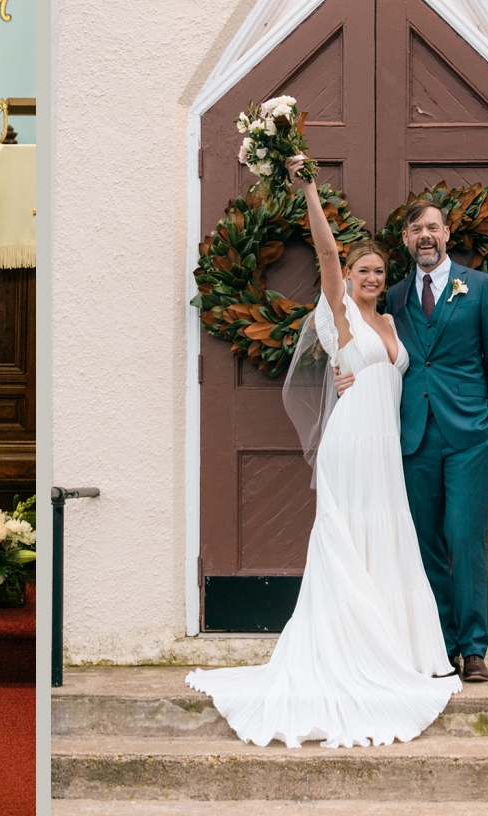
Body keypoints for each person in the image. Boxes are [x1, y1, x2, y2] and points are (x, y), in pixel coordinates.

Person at [186, 155, 460, 749]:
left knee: (387, 537)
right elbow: (327, 254)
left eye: (377, 270)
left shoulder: (391, 321)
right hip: (349, 444)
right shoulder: (337, 314)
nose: (369, 276)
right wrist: (309, 188)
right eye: (362, 268)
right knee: (348, 539)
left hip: (385, 447)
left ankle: (400, 651)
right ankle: (347, 649)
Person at [336, 195, 488, 683]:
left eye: (432, 228)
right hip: (410, 436)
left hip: (469, 435)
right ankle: (441, 644)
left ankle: (474, 649)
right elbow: (359, 338)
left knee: (464, 537)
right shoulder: (391, 297)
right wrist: (343, 373)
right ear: (408, 241)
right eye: (416, 231)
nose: (425, 237)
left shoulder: (478, 287)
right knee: (424, 544)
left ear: (446, 234)